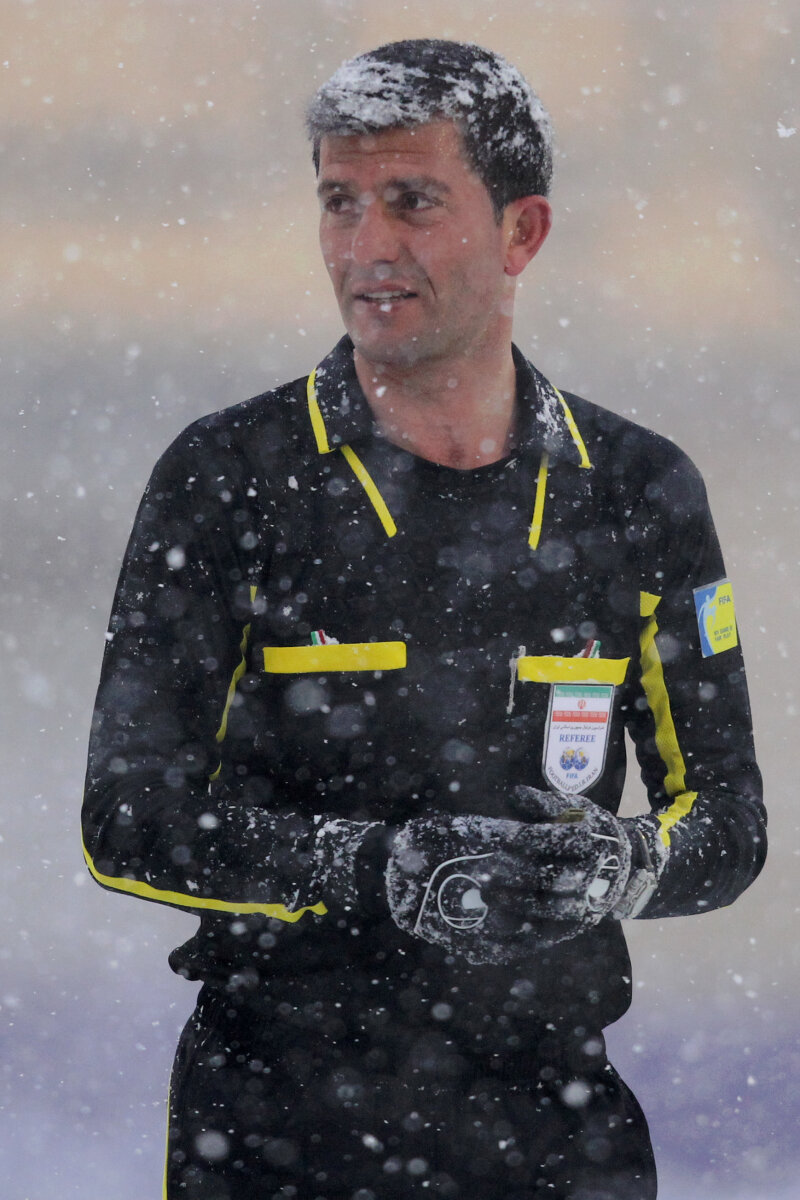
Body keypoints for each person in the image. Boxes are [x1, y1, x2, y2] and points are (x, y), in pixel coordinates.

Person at [82, 39, 766, 1200]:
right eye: (338, 203)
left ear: (520, 232)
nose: (365, 248)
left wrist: (622, 868)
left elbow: (727, 821)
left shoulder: (635, 489)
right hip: (276, 1129)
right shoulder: (229, 476)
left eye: (410, 201)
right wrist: (365, 867)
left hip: (551, 1123)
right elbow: (126, 819)